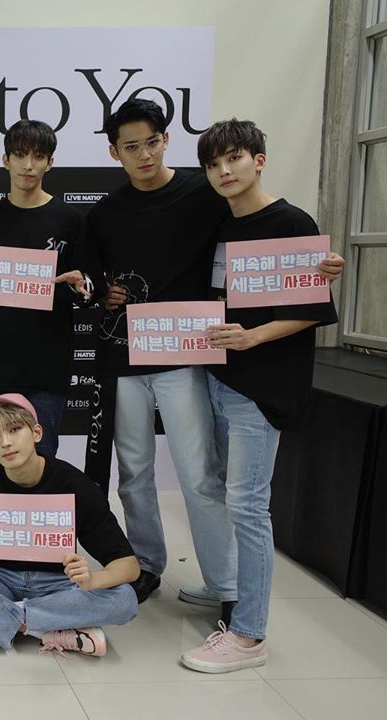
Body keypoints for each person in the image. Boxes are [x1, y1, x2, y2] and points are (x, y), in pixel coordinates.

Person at [181, 119, 340, 673]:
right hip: (218, 379)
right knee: (225, 491)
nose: (224, 171)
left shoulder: (291, 222)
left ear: (259, 160)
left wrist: (254, 337)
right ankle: (229, 587)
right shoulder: (223, 226)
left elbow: (311, 310)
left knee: (248, 505)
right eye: (213, 164)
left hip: (262, 386)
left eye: (234, 158)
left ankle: (249, 634)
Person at [82, 99, 238, 605]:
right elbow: (90, 280)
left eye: (152, 142)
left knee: (199, 474)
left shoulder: (204, 193)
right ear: (115, 152)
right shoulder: (105, 213)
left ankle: (226, 585)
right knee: (133, 471)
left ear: (166, 139)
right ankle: (146, 564)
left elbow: (252, 230)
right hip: (124, 358)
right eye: (132, 147)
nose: (144, 155)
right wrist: (103, 292)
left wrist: (304, 262)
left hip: (185, 356)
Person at [0, 393, 138, 653]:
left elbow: (128, 566)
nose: (5, 442)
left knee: (124, 599)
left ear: (37, 433)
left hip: (56, 584)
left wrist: (92, 580)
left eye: (15, 430)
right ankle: (44, 626)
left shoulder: (74, 485)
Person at [0, 119, 92, 460]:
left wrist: (82, 287)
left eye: (38, 156)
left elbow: (87, 290)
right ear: (6, 160)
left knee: (41, 462)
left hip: (46, 369)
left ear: (50, 163)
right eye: (20, 155)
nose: (28, 165)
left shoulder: (71, 222)